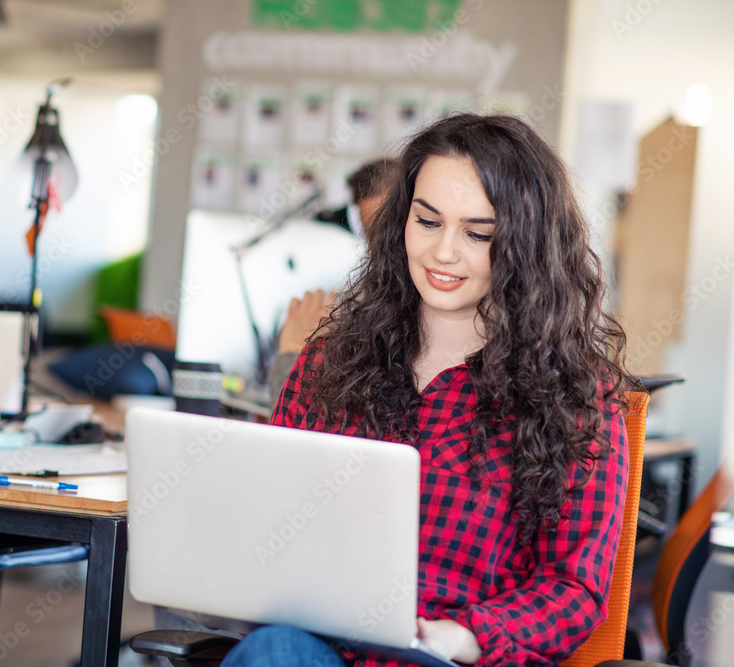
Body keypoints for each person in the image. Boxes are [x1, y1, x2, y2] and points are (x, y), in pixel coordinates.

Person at [223, 113, 631, 666]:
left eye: (477, 233)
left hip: (456, 657)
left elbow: (572, 589)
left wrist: (462, 635)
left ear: (527, 244)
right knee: (275, 650)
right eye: (428, 221)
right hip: (321, 649)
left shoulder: (576, 397)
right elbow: (267, 525)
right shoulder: (327, 364)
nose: (443, 252)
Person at [266, 159, 399, 399]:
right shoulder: (369, 308)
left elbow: (294, 416)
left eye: (391, 230)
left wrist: (295, 354)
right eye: (372, 236)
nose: (381, 250)